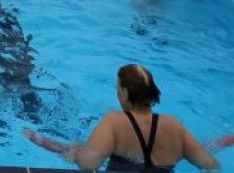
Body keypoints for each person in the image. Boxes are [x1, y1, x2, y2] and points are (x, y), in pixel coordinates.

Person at [25, 64, 219, 171]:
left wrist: (75, 154)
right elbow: (209, 164)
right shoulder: (174, 125)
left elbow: (89, 164)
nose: (117, 93)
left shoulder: (115, 121)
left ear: (125, 92)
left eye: (118, 88)